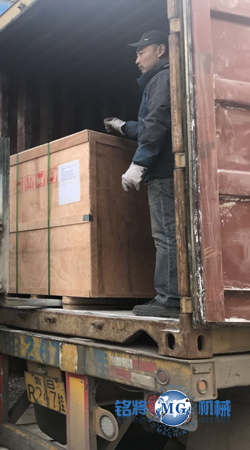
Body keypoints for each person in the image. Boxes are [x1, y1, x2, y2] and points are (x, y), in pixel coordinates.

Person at [104, 30, 179, 318]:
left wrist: (140, 163)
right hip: (168, 169)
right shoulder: (165, 78)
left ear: (160, 49)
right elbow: (152, 124)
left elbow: (157, 121)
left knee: (166, 235)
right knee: (170, 233)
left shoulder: (161, 78)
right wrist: (123, 126)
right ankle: (174, 296)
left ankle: (169, 300)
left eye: (141, 52)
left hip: (162, 171)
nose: (136, 60)